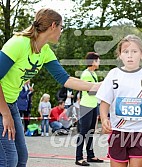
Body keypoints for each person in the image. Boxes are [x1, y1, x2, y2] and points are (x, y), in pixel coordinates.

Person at [0, 8, 99, 166]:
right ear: (54, 25)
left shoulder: (44, 51)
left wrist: (97, 86)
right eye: (62, 27)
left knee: (21, 156)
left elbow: (65, 79)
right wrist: (5, 114)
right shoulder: (18, 43)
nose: (61, 31)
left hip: (10, 103)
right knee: (8, 158)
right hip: (2, 105)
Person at [96, 34, 142, 167]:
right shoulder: (113, 74)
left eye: (134, 51)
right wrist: (104, 118)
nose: (130, 55)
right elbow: (105, 101)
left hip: (141, 133)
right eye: (126, 52)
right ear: (120, 55)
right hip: (118, 132)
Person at [75, 52, 103, 166]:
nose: (99, 62)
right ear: (93, 62)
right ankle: (78, 157)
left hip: (93, 105)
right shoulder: (86, 74)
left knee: (91, 132)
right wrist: (103, 85)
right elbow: (90, 91)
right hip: (86, 106)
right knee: (83, 132)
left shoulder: (93, 74)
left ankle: (90, 155)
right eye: (98, 60)